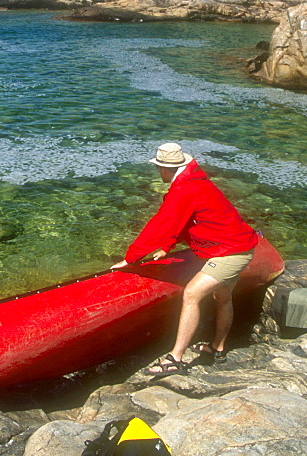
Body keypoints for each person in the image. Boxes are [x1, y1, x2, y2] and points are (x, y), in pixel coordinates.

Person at [111, 142, 258, 377]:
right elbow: (185, 221)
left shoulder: (185, 190)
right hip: (240, 246)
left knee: (192, 294)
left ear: (167, 169)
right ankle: (217, 349)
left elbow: (162, 223)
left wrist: (131, 258)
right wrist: (167, 247)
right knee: (223, 296)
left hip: (230, 252)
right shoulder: (194, 182)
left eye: (159, 168)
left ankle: (175, 358)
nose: (159, 172)